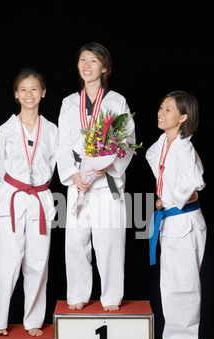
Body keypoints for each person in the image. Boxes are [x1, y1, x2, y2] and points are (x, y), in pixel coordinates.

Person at [57, 42, 135, 311]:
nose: (87, 65)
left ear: (104, 67)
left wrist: (107, 165)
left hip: (106, 181)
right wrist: (71, 173)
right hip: (78, 180)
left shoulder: (116, 101)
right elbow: (61, 144)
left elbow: (126, 141)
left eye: (93, 61)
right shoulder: (69, 103)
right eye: (82, 60)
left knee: (110, 241)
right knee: (75, 242)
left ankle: (111, 297)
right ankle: (77, 294)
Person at [0, 68, 58, 336]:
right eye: (23, 89)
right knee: (6, 259)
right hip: (12, 198)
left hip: (40, 198)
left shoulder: (51, 130)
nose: (29, 94)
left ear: (43, 93)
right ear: (16, 95)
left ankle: (33, 321)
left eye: (34, 89)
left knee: (38, 262)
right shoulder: (5, 129)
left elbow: (53, 165)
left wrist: (36, 189)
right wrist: (14, 191)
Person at [146, 91, 207, 339]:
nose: (161, 113)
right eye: (161, 107)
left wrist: (172, 199)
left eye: (168, 110)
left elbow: (194, 184)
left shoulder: (184, 148)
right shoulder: (162, 143)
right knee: (169, 285)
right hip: (171, 221)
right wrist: (164, 199)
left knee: (184, 285)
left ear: (183, 117)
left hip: (185, 221)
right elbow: (158, 167)